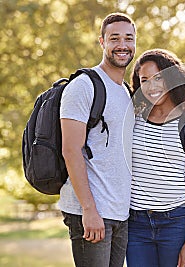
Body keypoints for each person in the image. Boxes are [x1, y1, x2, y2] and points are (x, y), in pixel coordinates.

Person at [58, 13, 136, 267]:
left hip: (120, 213)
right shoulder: (84, 85)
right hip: (91, 213)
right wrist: (89, 210)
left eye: (128, 38)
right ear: (102, 42)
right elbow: (71, 150)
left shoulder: (127, 92)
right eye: (115, 38)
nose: (122, 45)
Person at [126, 49, 185, 267]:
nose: (151, 86)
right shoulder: (133, 121)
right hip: (136, 226)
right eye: (144, 80)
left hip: (177, 224)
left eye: (158, 78)